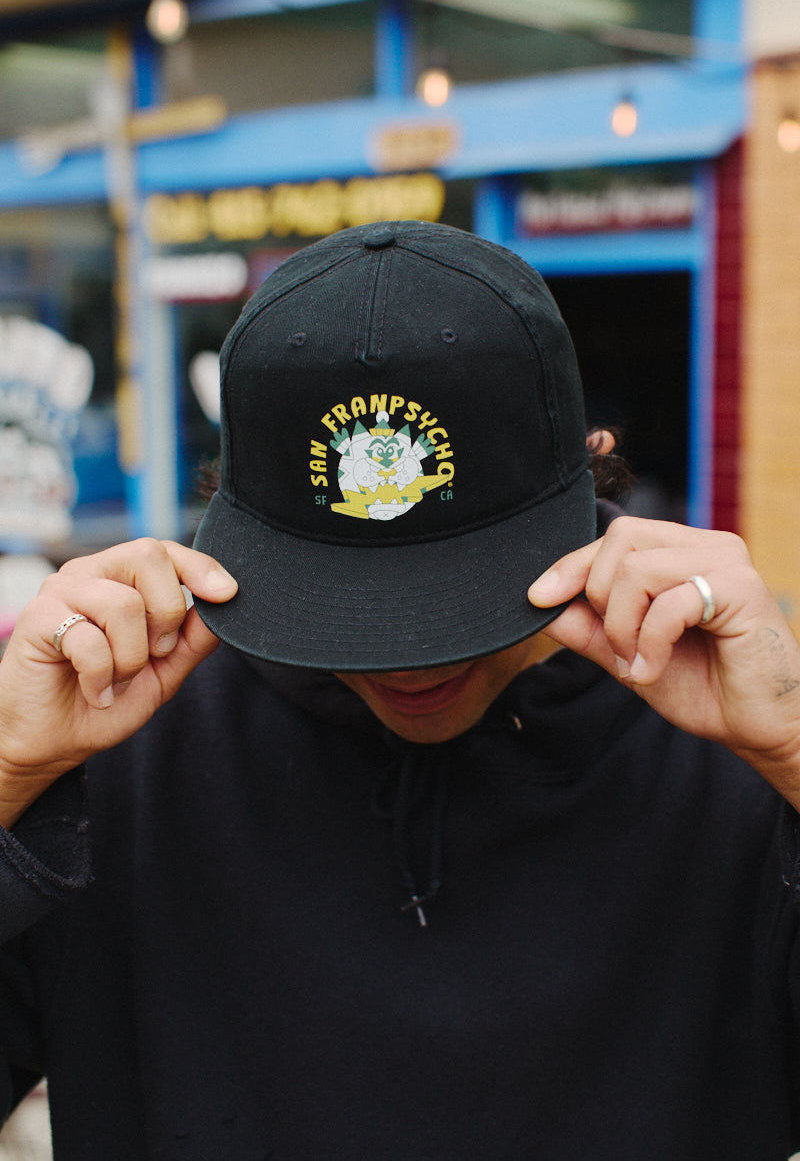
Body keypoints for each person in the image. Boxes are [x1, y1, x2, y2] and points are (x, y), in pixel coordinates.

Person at [0, 220, 798, 1160]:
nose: (407, 662)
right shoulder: (119, 743)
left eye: (463, 597)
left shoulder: (727, 743)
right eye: (339, 605)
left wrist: (791, 752)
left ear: (588, 475)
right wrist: (8, 773)